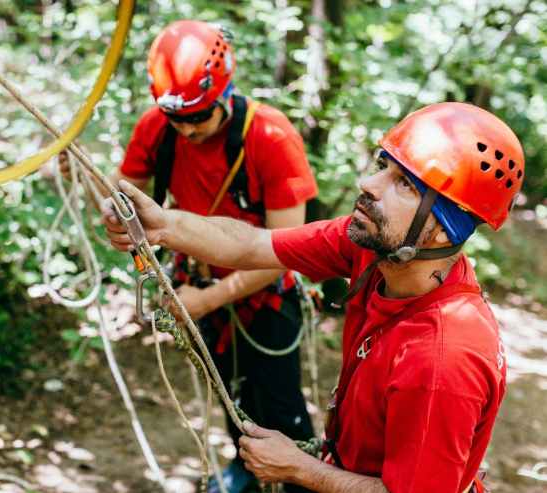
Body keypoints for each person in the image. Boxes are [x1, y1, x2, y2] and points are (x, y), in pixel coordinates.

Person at [100, 102, 524, 493]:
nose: (369, 184)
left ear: (441, 228)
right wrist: (163, 227)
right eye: (382, 165)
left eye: (405, 185)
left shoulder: (441, 360)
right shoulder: (372, 248)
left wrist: (300, 468)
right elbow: (254, 245)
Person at [60, 19, 319, 492]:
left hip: (262, 293)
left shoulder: (270, 136)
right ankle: (245, 470)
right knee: (228, 392)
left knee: (279, 406)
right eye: (176, 117)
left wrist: (209, 298)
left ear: (225, 94)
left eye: (198, 116)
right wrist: (107, 207)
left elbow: (289, 249)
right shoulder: (159, 128)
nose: (187, 128)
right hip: (195, 284)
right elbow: (123, 193)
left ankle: (302, 485)